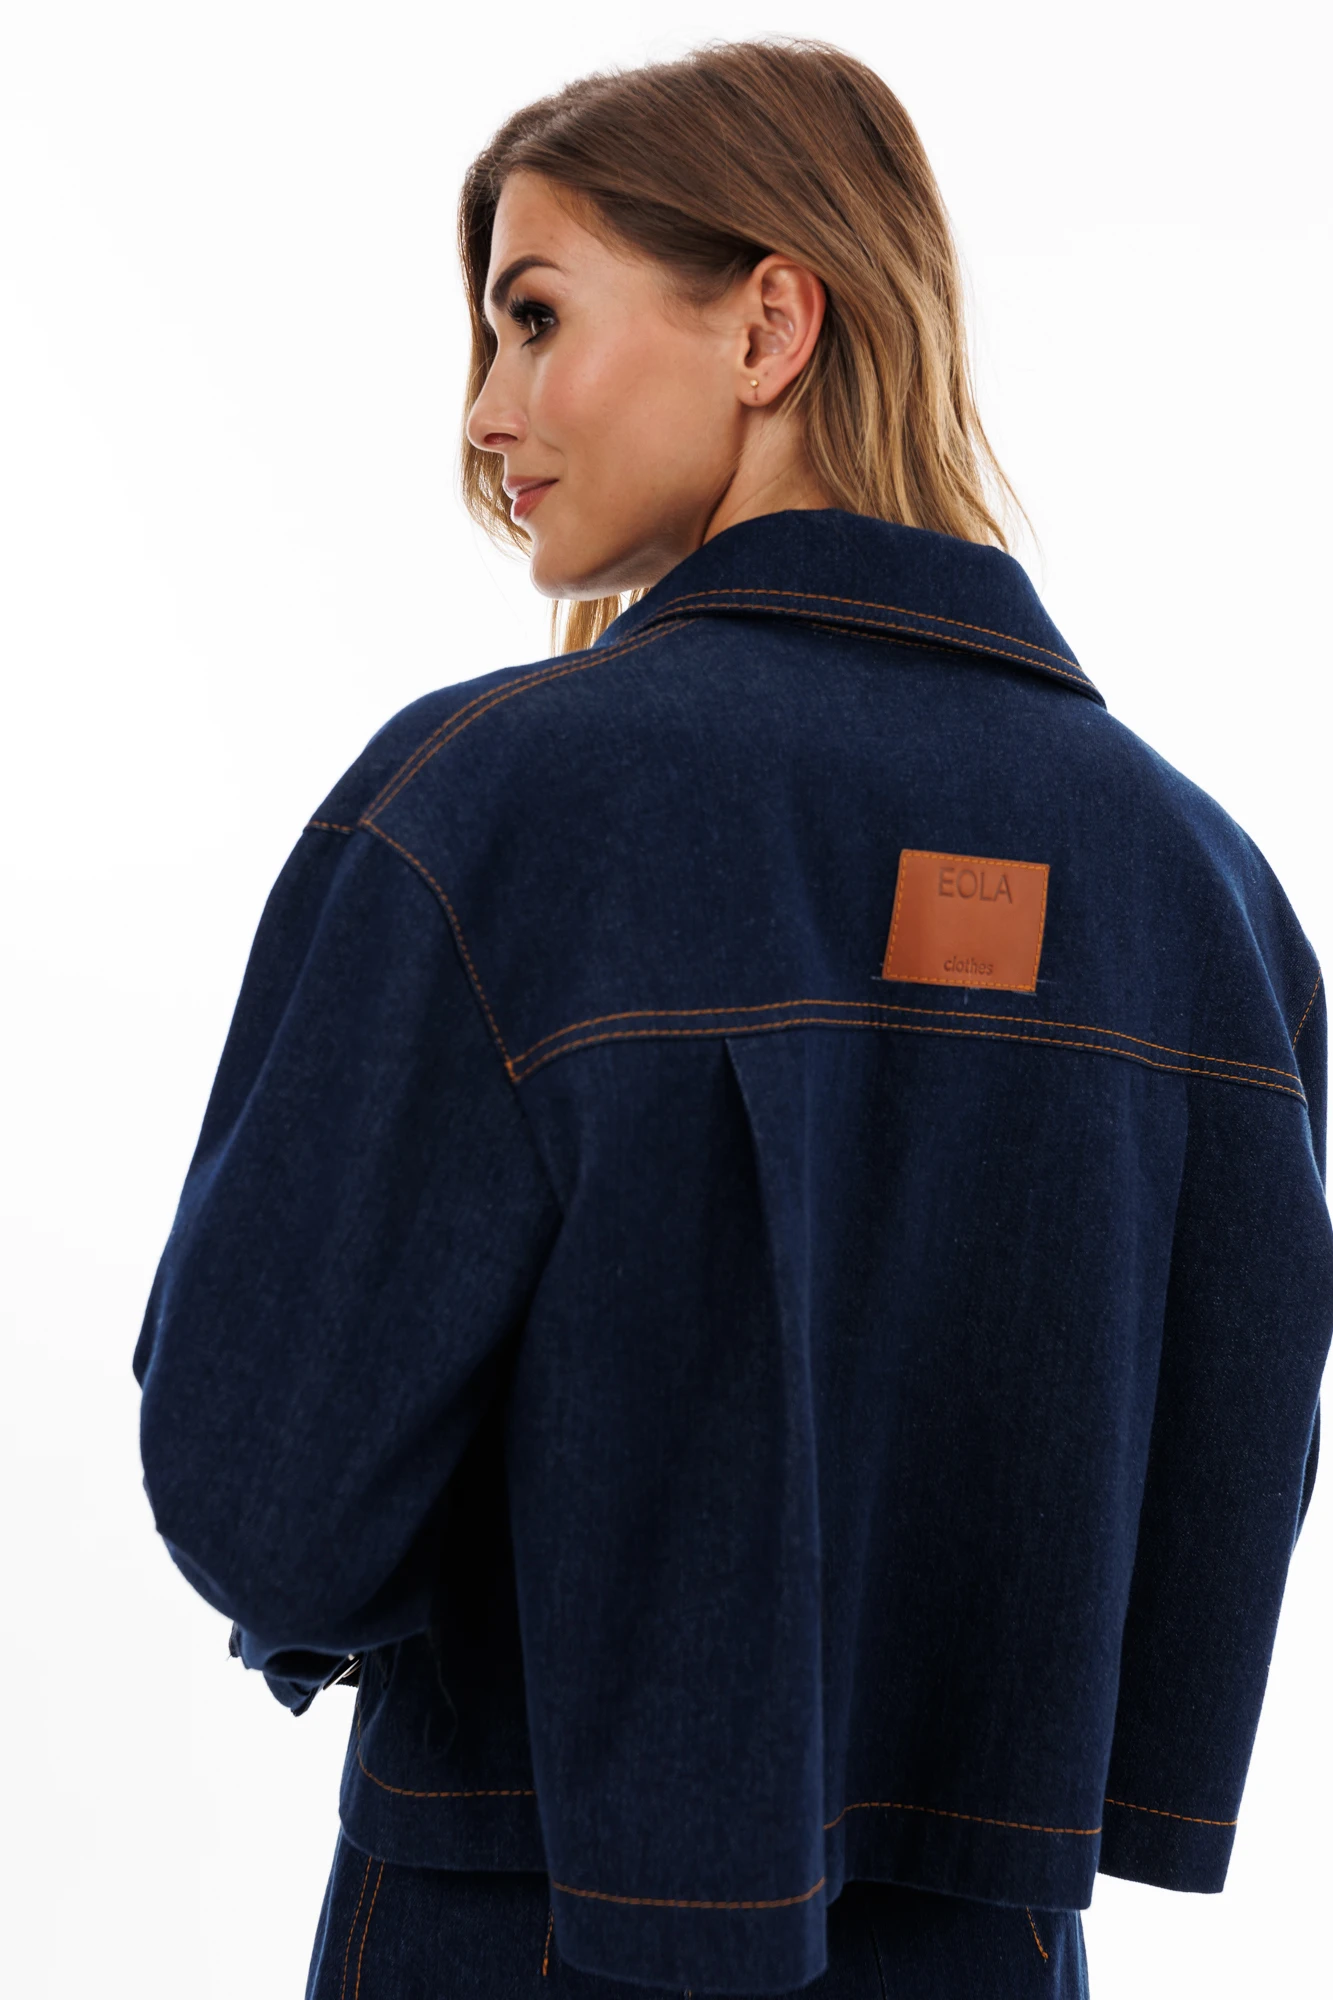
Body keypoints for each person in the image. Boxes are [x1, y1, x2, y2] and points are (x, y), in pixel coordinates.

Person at [132, 39, 1333, 2000]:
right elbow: (1207, 1536)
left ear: (771, 323)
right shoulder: (1209, 896)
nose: (484, 413)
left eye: (534, 317)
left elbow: (268, 1497)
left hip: (522, 1930)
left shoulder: (498, 810)